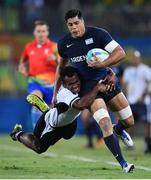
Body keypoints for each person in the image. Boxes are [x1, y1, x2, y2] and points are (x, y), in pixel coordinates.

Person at [52, 9, 135, 172]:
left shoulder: (98, 35)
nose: (74, 27)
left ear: (82, 21)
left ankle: (118, 130)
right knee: (104, 123)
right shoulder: (64, 44)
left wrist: (104, 65)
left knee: (129, 122)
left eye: (76, 23)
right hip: (88, 90)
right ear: (67, 26)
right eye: (70, 25)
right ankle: (124, 164)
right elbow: (60, 69)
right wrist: (55, 93)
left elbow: (120, 53)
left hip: (107, 83)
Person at [10, 66, 133, 173]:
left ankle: (48, 109)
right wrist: (97, 88)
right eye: (71, 84)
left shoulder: (82, 84)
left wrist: (110, 72)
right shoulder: (63, 93)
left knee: (68, 135)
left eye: (76, 82)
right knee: (38, 147)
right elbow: (80, 105)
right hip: (52, 125)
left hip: (70, 123)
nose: (75, 86)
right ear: (64, 85)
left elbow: (99, 74)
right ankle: (18, 133)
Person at [18, 20, 58, 128]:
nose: (41, 34)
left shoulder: (54, 47)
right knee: (36, 101)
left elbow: (63, 64)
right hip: (34, 82)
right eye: (38, 31)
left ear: (47, 33)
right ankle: (37, 129)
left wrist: (55, 59)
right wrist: (23, 69)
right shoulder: (28, 47)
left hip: (51, 85)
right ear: (34, 33)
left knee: (50, 110)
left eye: (43, 31)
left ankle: (50, 129)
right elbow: (22, 64)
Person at [122, 50, 151, 153]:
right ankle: (130, 143)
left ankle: (148, 145)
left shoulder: (145, 69)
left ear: (139, 58)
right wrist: (126, 94)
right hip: (131, 101)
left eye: (136, 58)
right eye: (133, 58)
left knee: (146, 123)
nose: (135, 60)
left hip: (142, 102)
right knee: (130, 123)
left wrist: (143, 96)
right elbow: (124, 83)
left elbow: (149, 83)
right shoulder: (128, 70)